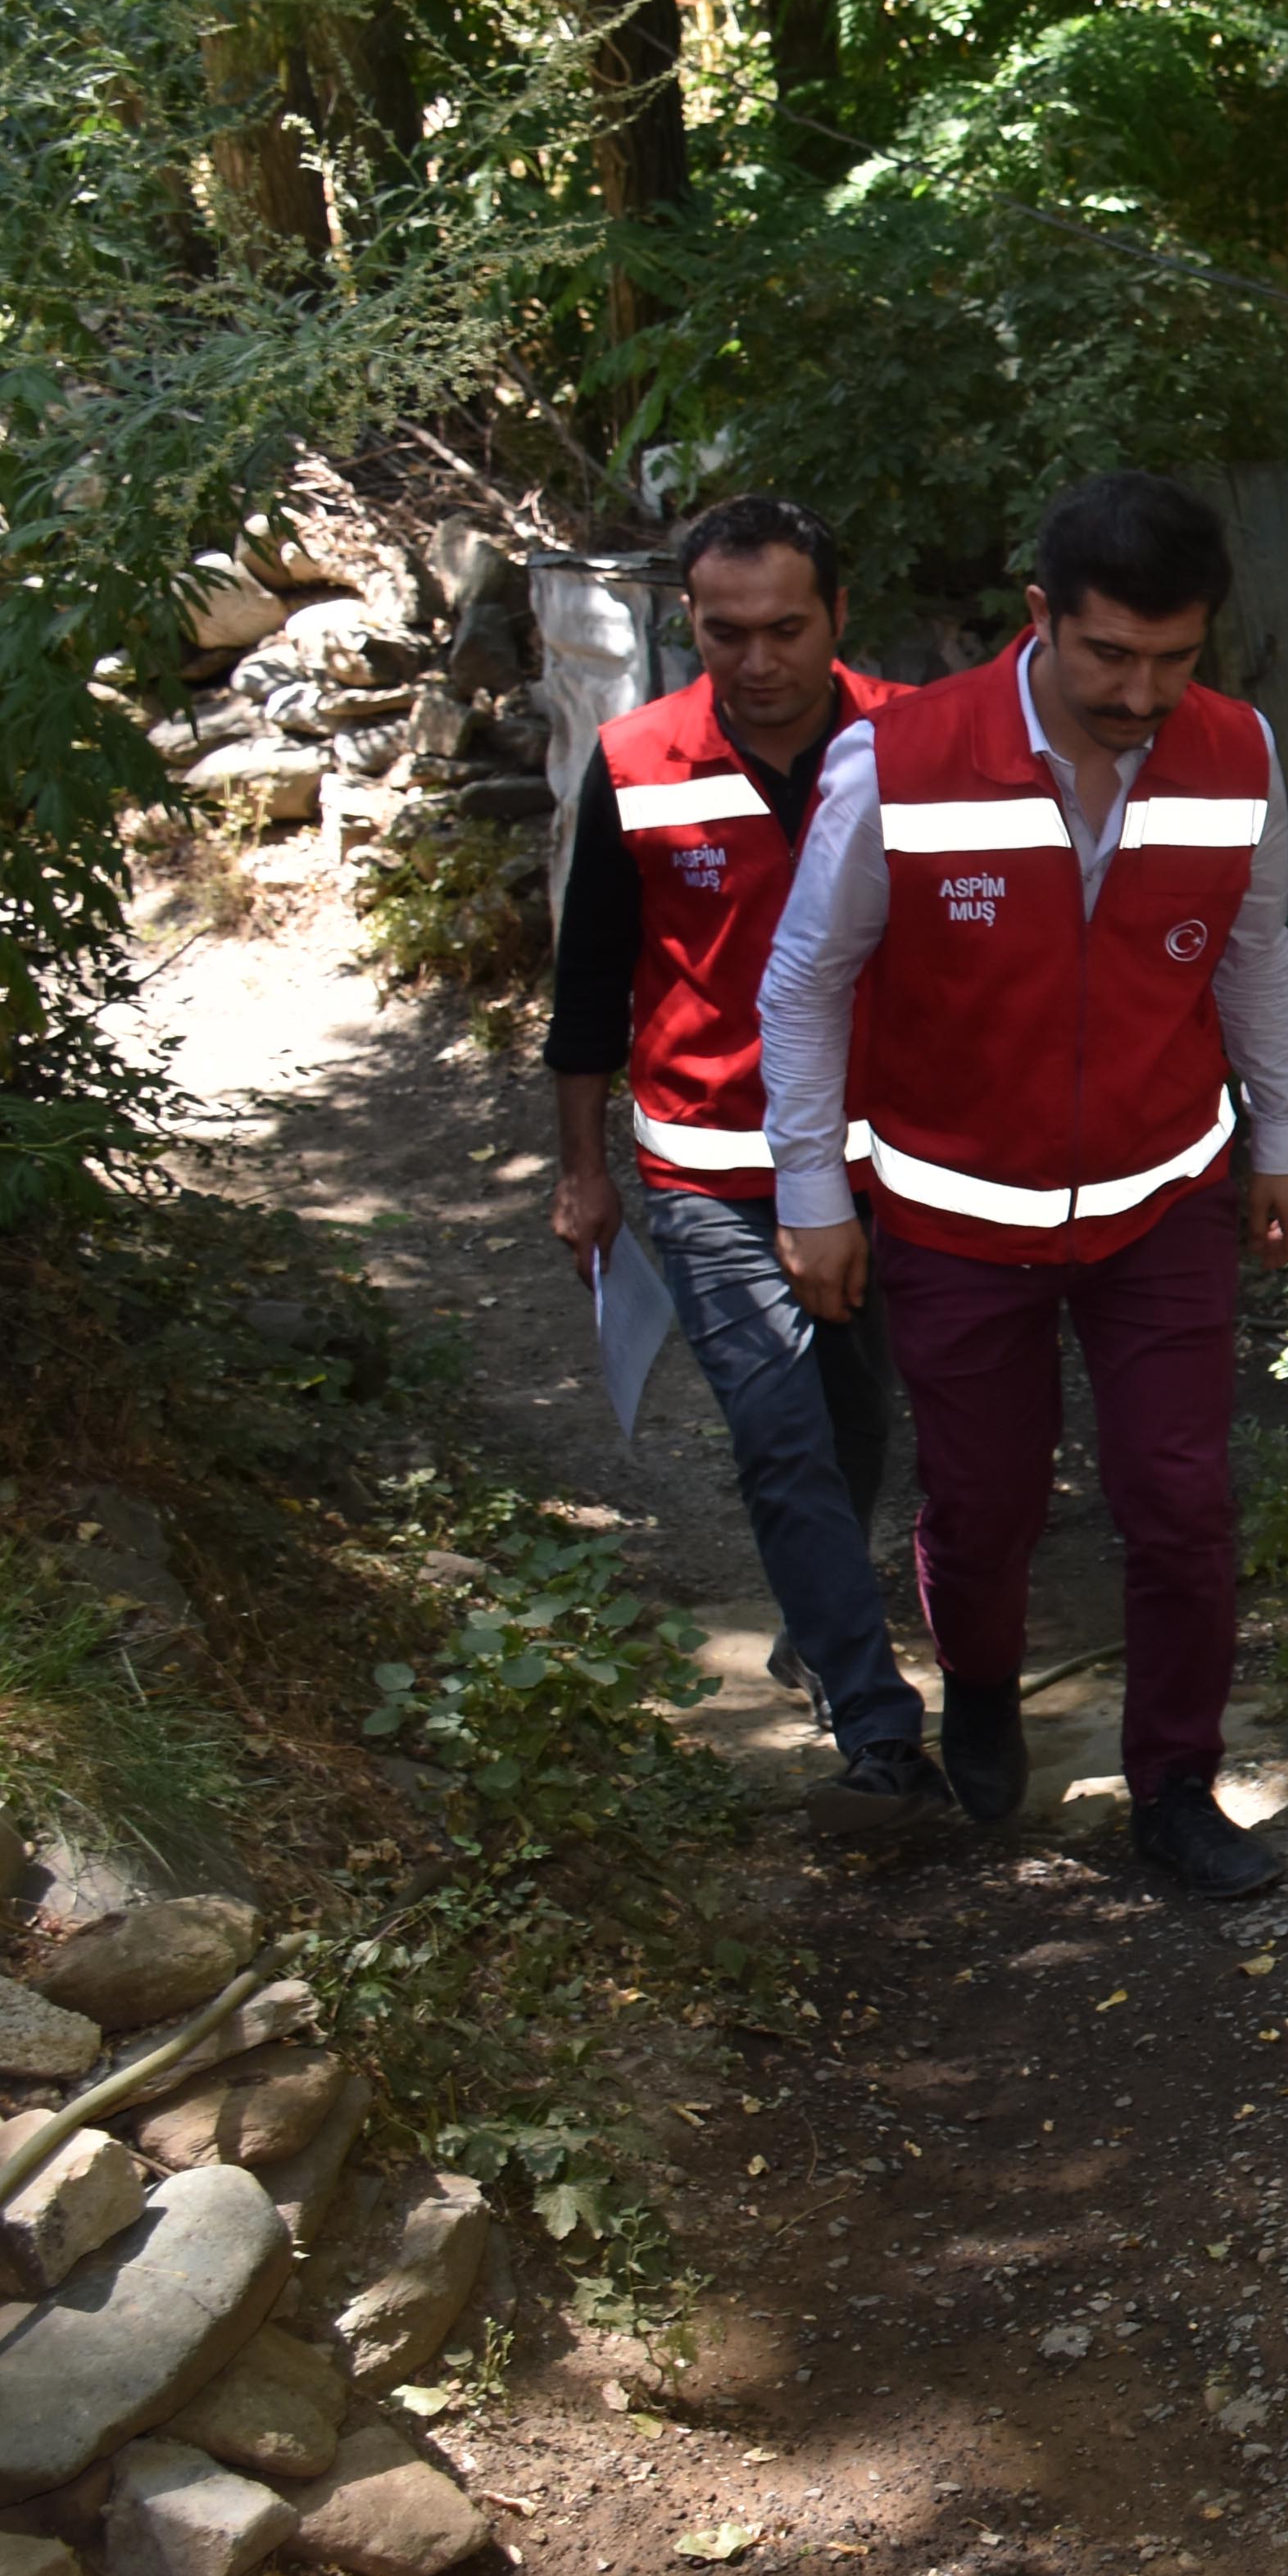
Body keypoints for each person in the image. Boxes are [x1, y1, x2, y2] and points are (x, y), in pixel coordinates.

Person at [757, 470, 1288, 1901]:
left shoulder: (1239, 756)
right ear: (1038, 619)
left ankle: (1175, 1786)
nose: (1141, 694)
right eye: (1109, 655)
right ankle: (986, 1695)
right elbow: (809, 978)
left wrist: (1277, 1146)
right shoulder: (901, 758)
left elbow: (1255, 960)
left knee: (1181, 1498)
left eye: (1176, 661)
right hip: (952, 1208)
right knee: (982, 1502)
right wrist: (812, 1191)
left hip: (1163, 1197)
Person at [542, 495, 931, 1818]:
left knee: (852, 1418)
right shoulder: (638, 759)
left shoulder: (920, 742)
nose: (757, 661)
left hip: (887, 1162)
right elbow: (589, 976)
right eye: (724, 633)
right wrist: (584, 1170)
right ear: (687, 623)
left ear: (837, 617)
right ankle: (876, 1723)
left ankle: (817, 1624)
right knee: (779, 1432)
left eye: (785, 629)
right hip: (707, 1156)